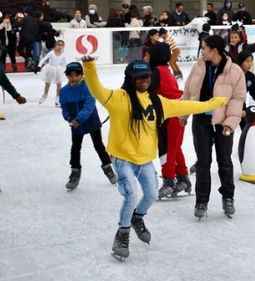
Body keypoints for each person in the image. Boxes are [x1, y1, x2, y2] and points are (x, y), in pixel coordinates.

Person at [82, 55, 226, 260]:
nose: (144, 81)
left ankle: (137, 218)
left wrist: (212, 103)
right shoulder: (118, 99)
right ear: (130, 79)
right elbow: (96, 88)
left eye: (146, 77)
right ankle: (122, 234)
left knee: (150, 195)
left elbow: (185, 106)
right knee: (131, 195)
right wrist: (89, 66)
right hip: (122, 160)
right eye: (139, 77)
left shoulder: (157, 102)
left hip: (145, 161)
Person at [183, 35, 246, 220]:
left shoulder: (234, 71)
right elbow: (188, 91)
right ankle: (201, 201)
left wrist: (230, 124)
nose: (202, 51)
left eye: (204, 48)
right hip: (201, 120)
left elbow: (237, 99)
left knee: (224, 161)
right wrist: (183, 115)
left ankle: (228, 197)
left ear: (214, 50)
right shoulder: (199, 66)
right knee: (203, 162)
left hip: (223, 122)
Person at [59, 61, 116, 191]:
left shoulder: (88, 87)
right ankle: (75, 172)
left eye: (76, 75)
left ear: (81, 74)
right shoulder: (64, 91)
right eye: (70, 75)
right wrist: (69, 118)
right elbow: (64, 108)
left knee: (99, 145)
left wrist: (79, 119)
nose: (73, 78)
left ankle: (108, 168)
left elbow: (89, 105)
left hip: (91, 121)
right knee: (75, 148)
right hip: (76, 124)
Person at [148, 43, 191, 199]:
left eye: (150, 55)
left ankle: (169, 181)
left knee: (169, 148)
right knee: (174, 147)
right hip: (174, 111)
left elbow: (146, 91)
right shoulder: (163, 69)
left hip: (173, 113)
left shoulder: (157, 71)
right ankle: (183, 178)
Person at [37, 39, 68, 106]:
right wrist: (39, 66)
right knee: (47, 84)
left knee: (59, 84)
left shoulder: (63, 54)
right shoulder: (51, 53)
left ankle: (57, 99)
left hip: (58, 70)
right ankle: (45, 95)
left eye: (61, 45)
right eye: (58, 45)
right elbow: (44, 59)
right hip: (50, 69)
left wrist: (66, 69)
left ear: (63, 46)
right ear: (55, 45)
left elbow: (65, 63)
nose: (60, 46)